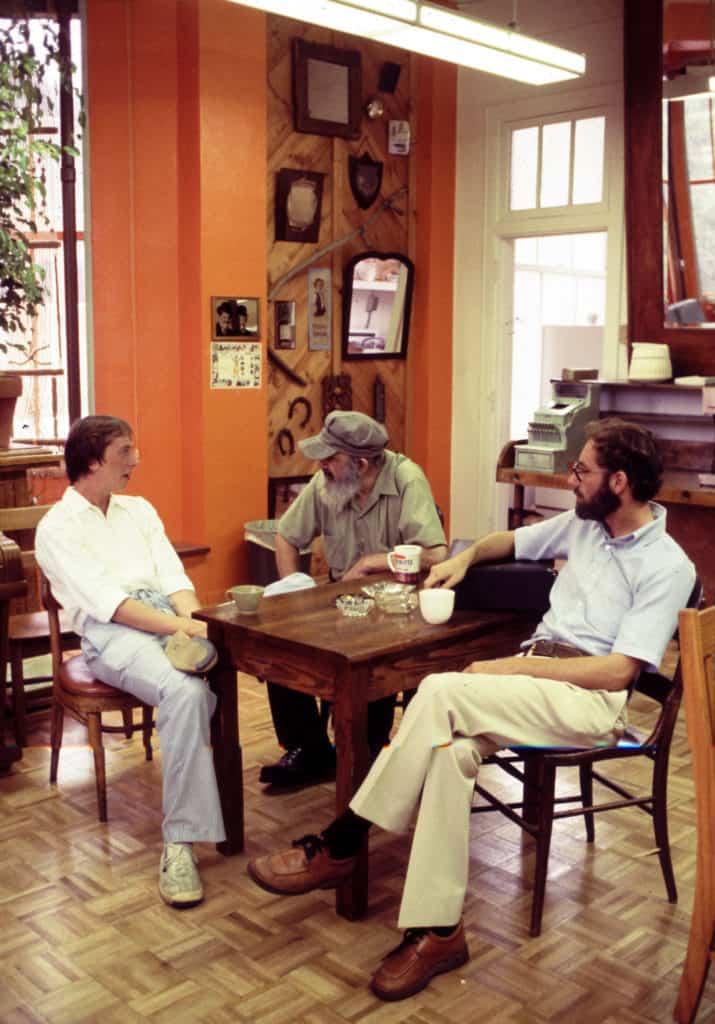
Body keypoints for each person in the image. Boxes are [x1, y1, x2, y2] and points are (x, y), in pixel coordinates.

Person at [247, 418, 696, 1001]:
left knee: (440, 691)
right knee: (450, 753)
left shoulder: (668, 565)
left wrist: (508, 666)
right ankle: (439, 931)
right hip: (539, 683)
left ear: (618, 482)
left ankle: (343, 841)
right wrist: (463, 561)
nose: (570, 478)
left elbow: (618, 671)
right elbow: (504, 543)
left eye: (581, 470)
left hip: (590, 700)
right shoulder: (587, 527)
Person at [35, 415, 226, 909]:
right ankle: (180, 843)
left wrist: (195, 620)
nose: (136, 461)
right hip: (111, 635)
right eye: (126, 452)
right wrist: (185, 630)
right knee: (186, 691)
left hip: (167, 618)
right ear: (93, 461)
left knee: (222, 668)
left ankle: (219, 809)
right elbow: (111, 605)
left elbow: (173, 574)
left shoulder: (138, 510)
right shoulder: (57, 528)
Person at [259, 409, 448, 788]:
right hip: (340, 600)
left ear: (360, 464)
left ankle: (368, 751)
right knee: (279, 649)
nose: (321, 464)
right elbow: (285, 536)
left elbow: (436, 553)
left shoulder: (407, 479)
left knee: (366, 666)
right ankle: (310, 750)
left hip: (398, 605)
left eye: (331, 457)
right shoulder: (325, 482)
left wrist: (371, 562)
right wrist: (292, 589)